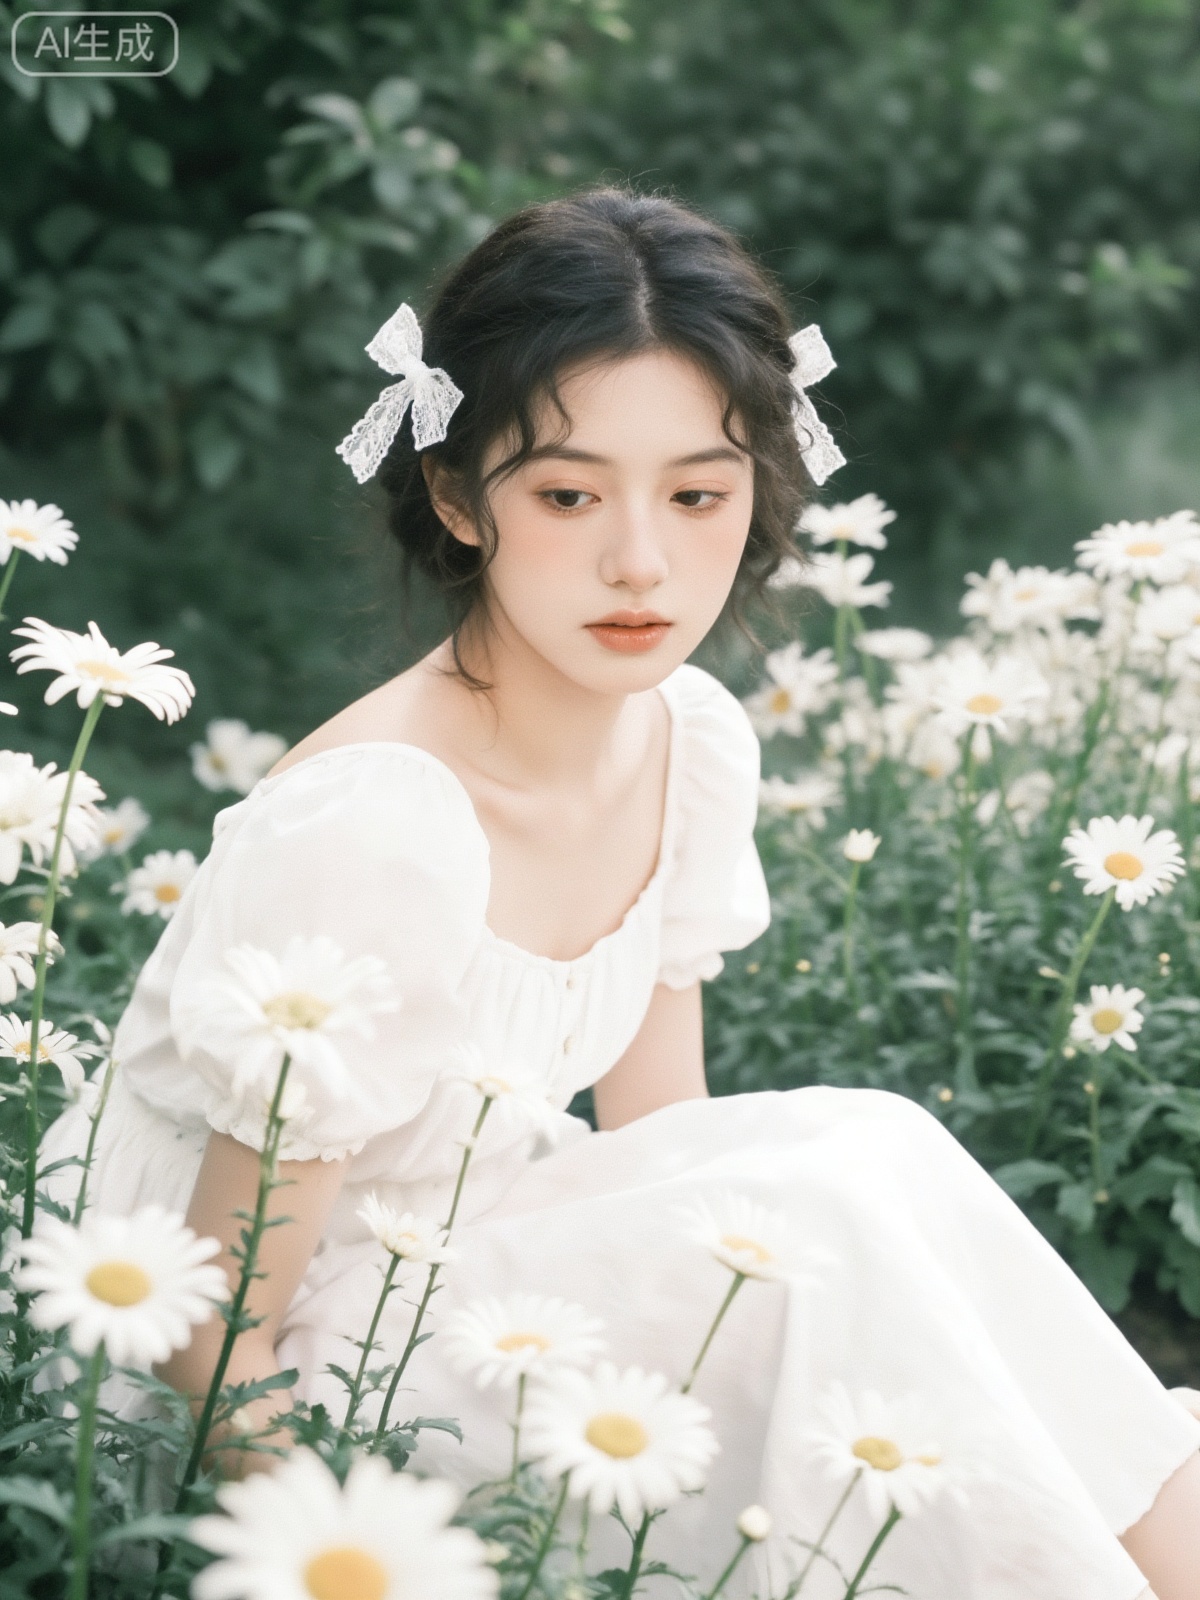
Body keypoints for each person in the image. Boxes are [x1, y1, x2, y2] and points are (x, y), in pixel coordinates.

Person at [40, 188, 1200, 1599]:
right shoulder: (378, 822)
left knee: (863, 1156)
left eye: (699, 494)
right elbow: (207, 1339)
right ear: (463, 497)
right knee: (831, 1222)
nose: (642, 561)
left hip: (465, 1289)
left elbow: (669, 1152)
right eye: (571, 495)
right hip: (231, 1400)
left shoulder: (688, 741)